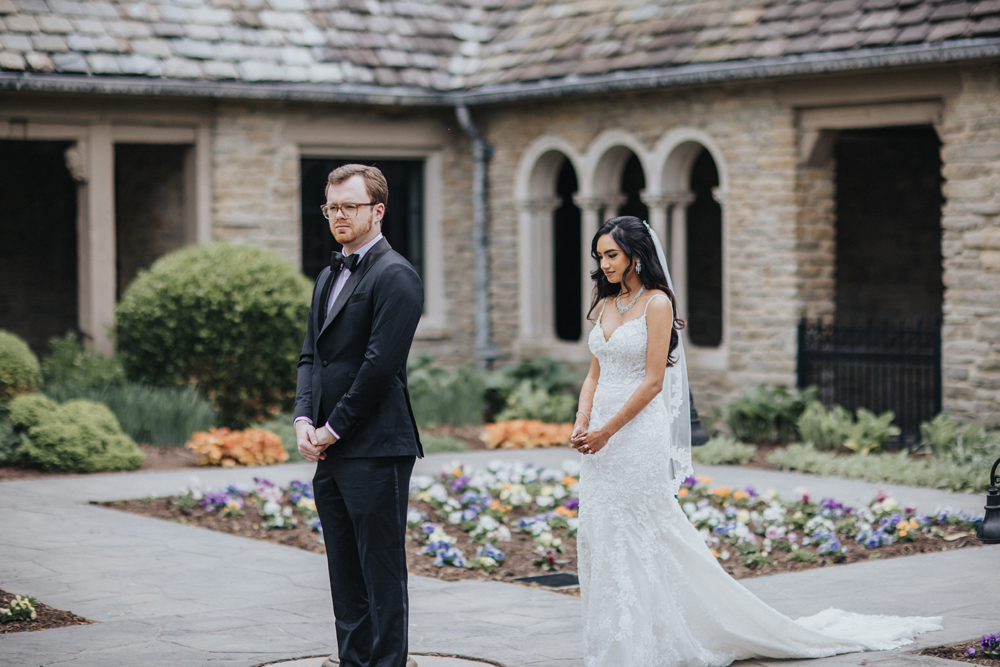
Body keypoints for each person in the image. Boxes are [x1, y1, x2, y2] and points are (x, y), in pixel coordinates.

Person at [569, 216, 941, 667]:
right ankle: (617, 641)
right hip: (598, 437)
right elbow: (594, 373)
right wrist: (583, 420)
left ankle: (652, 643)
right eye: (600, 256)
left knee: (642, 534)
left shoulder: (657, 304)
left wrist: (608, 431)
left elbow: (651, 383)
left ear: (636, 254)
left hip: (632, 434)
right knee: (602, 534)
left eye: (611, 254)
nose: (604, 263)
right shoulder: (606, 303)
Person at [294, 164, 424, 667]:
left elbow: (378, 367)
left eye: (350, 206)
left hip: (377, 445)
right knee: (344, 570)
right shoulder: (328, 274)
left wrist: (331, 428)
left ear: (378, 210)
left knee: (381, 571)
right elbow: (312, 356)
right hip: (329, 445)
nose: (339, 215)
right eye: (332, 207)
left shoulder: (397, 275)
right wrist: (304, 419)